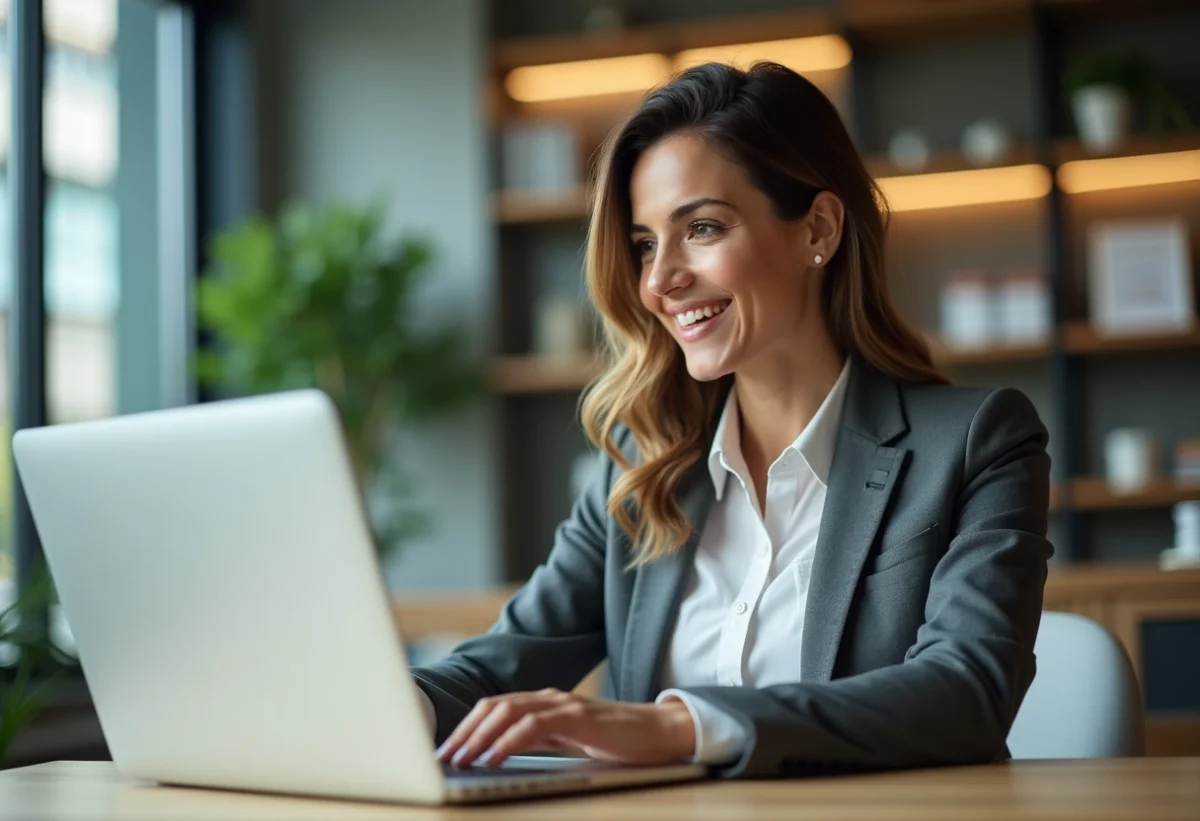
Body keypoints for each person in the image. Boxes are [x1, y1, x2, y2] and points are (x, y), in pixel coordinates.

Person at [414, 61, 1052, 778]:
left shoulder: (977, 442)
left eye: (704, 228)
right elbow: (499, 666)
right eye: (646, 243)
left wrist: (681, 726)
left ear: (818, 228)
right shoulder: (643, 462)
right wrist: (392, 704)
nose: (659, 282)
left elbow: (966, 692)